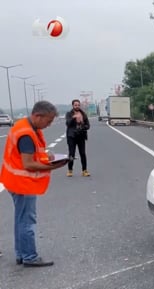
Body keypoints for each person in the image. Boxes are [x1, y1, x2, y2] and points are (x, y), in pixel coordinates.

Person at [0, 101, 69, 267]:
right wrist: (54, 165)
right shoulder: (26, 134)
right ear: (38, 116)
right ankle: (29, 256)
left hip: (14, 180)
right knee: (27, 220)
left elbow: (33, 154)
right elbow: (28, 164)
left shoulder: (27, 127)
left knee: (20, 218)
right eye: (49, 120)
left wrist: (47, 157)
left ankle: (21, 254)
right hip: (22, 183)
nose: (50, 124)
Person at [65, 99, 90, 177]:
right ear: (73, 105)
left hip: (81, 136)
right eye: (75, 105)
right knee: (71, 153)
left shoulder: (83, 114)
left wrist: (82, 125)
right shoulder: (69, 114)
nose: (77, 106)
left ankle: (84, 170)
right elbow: (68, 124)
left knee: (82, 153)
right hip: (71, 136)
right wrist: (74, 118)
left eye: (78, 105)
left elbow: (88, 126)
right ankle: (70, 170)